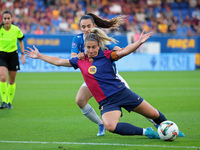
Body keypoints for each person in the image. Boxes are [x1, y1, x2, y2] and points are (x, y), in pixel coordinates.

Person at [25, 28, 185, 138]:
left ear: (98, 46)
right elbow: (59, 61)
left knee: (154, 114)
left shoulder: (107, 55)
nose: (91, 50)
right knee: (110, 126)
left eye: (93, 47)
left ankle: (171, 128)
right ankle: (147, 132)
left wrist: (139, 42)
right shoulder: (80, 61)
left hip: (122, 93)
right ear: (85, 47)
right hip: (106, 102)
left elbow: (125, 51)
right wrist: (40, 56)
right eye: (88, 47)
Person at [71, 13, 129, 136]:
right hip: (94, 78)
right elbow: (73, 57)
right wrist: (79, 56)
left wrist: (119, 50)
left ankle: (157, 122)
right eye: (83, 27)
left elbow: (116, 49)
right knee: (80, 100)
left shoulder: (100, 39)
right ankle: (100, 124)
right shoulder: (77, 39)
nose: (86, 29)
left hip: (111, 78)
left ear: (94, 26)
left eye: (89, 26)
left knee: (134, 103)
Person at [0, 10, 26, 109]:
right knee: (2, 77)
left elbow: (21, 41)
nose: (7, 20)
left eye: (8, 18)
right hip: (1, 55)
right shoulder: (0, 29)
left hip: (13, 56)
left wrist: (23, 54)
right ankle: (4, 101)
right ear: (2, 20)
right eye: (5, 18)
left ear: (11, 19)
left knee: (12, 80)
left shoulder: (16, 29)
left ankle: (9, 102)